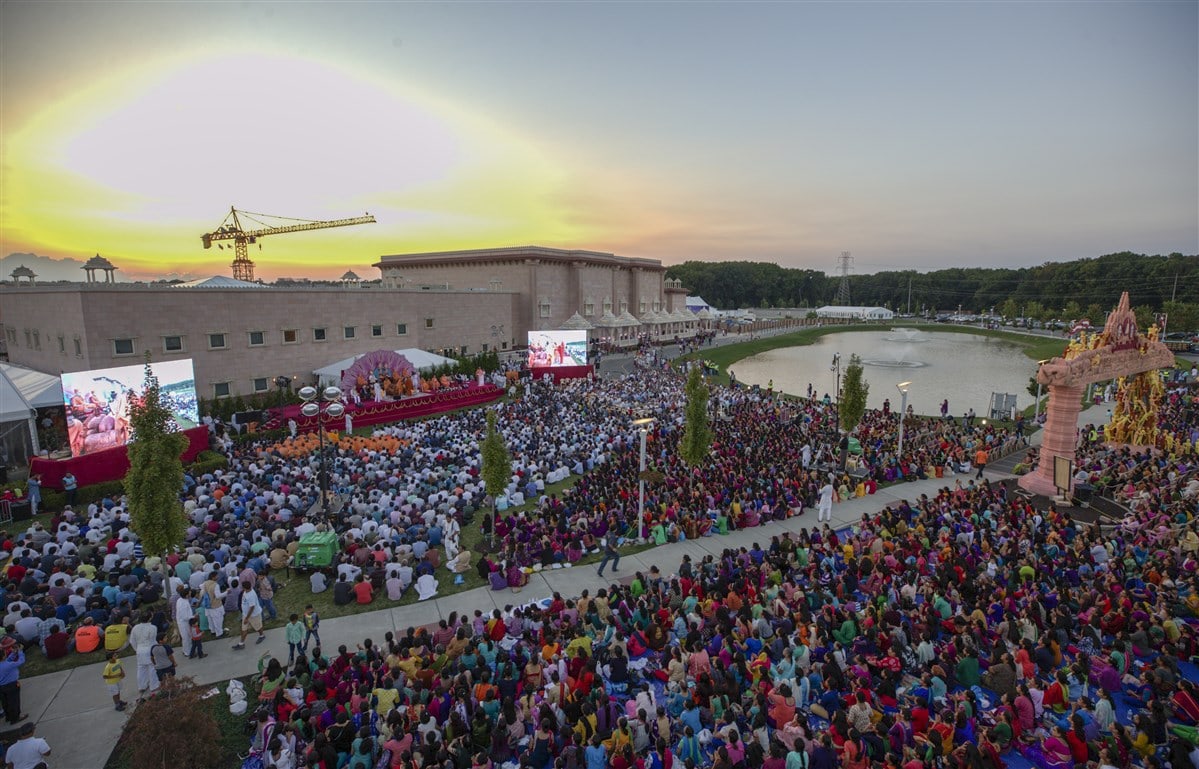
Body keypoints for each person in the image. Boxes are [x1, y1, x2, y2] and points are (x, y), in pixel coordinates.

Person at [233, 580, 267, 650]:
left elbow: (252, 607)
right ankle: (241, 643)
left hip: (254, 615)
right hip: (245, 614)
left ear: (244, 588)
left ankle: (262, 635)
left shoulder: (251, 595)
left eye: (242, 587)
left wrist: (247, 618)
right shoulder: (246, 591)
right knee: (244, 629)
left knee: (258, 627)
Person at [0, 647, 25, 725]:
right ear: (3, 656)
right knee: (14, 702)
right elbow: (21, 661)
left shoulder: (5, 663)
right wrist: (20, 652)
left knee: (5, 702)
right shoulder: (9, 665)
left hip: (1, 687)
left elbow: (7, 660)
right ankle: (15, 718)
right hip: (12, 686)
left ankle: (8, 717)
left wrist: (13, 654)